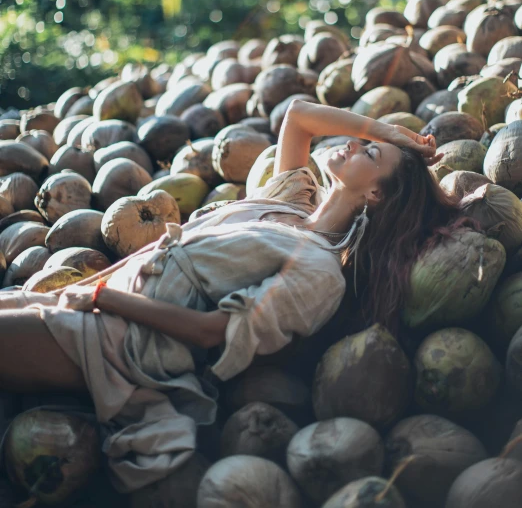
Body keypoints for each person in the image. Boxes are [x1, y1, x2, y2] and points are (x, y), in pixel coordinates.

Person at [0, 100, 451, 491]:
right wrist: (382, 132)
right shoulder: (293, 200)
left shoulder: (320, 273)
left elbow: (212, 333)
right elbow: (298, 117)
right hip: (97, 296)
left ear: (374, 193)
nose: (351, 143)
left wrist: (106, 300)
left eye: (367, 153)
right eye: (359, 140)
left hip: (121, 344)